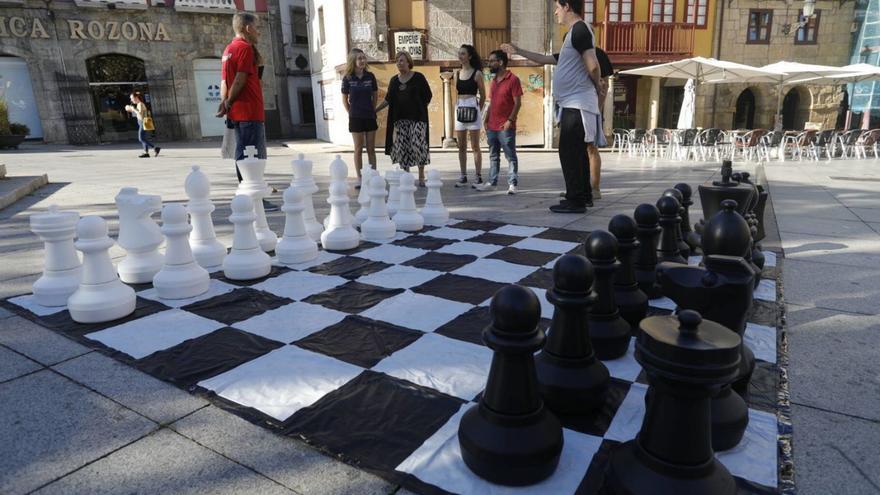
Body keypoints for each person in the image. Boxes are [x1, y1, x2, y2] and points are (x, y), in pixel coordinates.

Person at [503, 0, 603, 213]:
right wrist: (518, 49)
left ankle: (575, 200)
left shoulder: (579, 31)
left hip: (577, 104)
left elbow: (593, 65)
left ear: (567, 6)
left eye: (557, 7)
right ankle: (583, 196)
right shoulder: (573, 36)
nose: (556, 12)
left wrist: (598, 86)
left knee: (568, 151)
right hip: (575, 103)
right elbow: (544, 58)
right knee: (577, 152)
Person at [217, 13, 276, 210]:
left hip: (238, 112)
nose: (258, 31)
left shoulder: (228, 50)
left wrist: (224, 102)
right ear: (248, 28)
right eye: (257, 28)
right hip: (249, 111)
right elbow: (240, 80)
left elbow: (225, 81)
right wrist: (227, 103)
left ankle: (246, 194)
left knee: (242, 153)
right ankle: (253, 197)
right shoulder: (244, 48)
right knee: (252, 155)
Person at [375, 51, 432, 185]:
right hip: (400, 120)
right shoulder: (394, 80)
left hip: (418, 119)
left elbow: (428, 96)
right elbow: (388, 99)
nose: (399, 63)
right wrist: (376, 110)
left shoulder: (418, 77)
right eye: (397, 61)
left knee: (418, 146)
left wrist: (420, 109)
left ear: (408, 62)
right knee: (403, 148)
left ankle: (421, 175)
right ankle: (407, 176)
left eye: (401, 60)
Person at [475, 49, 522, 195]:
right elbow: (491, 102)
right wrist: (486, 119)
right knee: (493, 155)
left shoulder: (513, 79)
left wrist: (510, 120)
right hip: (492, 126)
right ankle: (492, 182)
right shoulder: (494, 81)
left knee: (510, 155)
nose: (489, 64)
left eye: (491, 61)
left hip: (505, 126)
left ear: (500, 62)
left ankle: (512, 183)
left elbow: (517, 103)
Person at [342, 48, 379, 185]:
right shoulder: (347, 78)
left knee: (371, 149)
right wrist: (351, 112)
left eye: (364, 58)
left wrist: (372, 109)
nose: (363, 60)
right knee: (358, 148)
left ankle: (373, 176)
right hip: (355, 117)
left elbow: (375, 95)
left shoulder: (370, 77)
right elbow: (344, 99)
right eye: (359, 58)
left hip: (369, 116)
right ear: (353, 61)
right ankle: (360, 178)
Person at [452, 45, 487, 188]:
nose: (460, 56)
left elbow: (483, 95)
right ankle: (463, 175)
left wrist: (478, 108)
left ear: (469, 56)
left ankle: (478, 176)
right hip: (460, 107)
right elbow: (456, 92)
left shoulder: (477, 74)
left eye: (463, 54)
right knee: (461, 146)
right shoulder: (456, 73)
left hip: (473, 106)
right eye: (459, 53)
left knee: (475, 145)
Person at [588, 47, 613, 199]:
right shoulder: (572, 53)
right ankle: (578, 187)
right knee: (577, 151)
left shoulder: (597, 54)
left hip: (591, 109)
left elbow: (605, 84)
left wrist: (597, 109)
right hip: (575, 107)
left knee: (591, 148)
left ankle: (595, 188)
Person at [124, 92, 160, 158]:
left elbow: (139, 113)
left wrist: (132, 108)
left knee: (141, 138)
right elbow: (138, 113)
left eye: (131, 98)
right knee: (143, 138)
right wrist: (129, 109)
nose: (131, 100)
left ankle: (155, 148)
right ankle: (146, 153)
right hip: (141, 122)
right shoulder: (138, 104)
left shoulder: (140, 104)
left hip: (143, 122)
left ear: (136, 98)